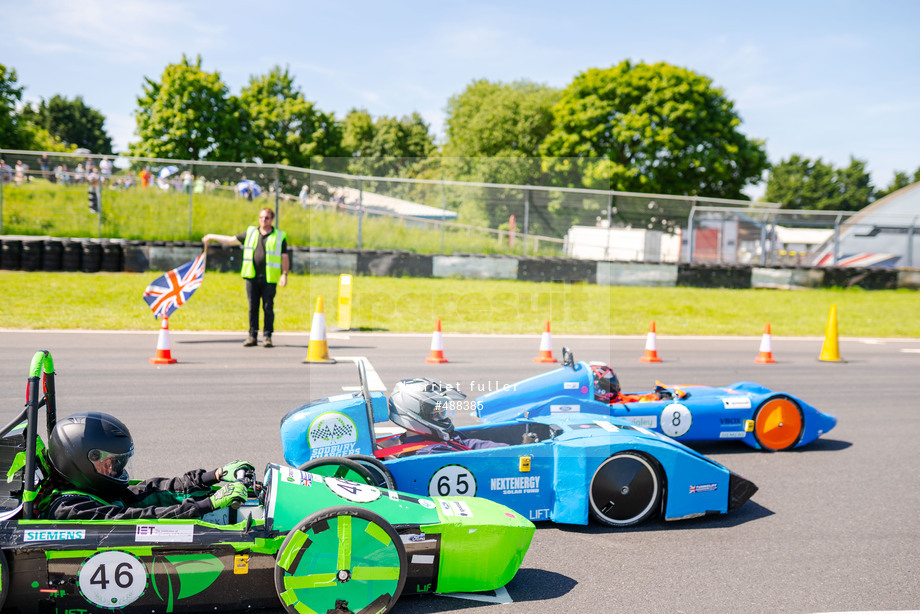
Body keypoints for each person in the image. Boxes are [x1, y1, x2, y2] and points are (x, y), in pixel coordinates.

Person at [42, 412, 253, 521]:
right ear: (81, 463)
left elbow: (147, 491)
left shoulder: (87, 489)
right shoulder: (70, 509)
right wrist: (205, 506)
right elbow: (134, 520)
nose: (116, 470)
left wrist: (214, 476)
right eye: (110, 464)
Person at [202, 207, 289, 347]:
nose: (263, 220)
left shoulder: (279, 236)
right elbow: (231, 240)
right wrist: (212, 236)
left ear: (272, 219)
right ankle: (252, 336)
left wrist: (284, 274)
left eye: (266, 218)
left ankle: (267, 336)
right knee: (252, 307)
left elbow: (284, 257)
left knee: (268, 307)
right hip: (252, 276)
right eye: (261, 217)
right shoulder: (250, 232)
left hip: (269, 278)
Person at [384, 378, 508, 456]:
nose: (443, 416)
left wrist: (512, 449)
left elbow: (469, 443)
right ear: (415, 413)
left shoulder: (436, 438)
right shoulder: (430, 453)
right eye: (437, 412)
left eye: (443, 411)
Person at [590, 363, 665, 404]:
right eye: (609, 382)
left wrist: (657, 396)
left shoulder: (617, 399)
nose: (613, 384)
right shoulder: (607, 406)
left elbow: (633, 398)